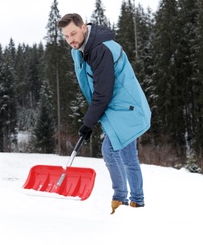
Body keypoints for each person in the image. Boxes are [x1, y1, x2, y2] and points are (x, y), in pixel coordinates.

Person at [57, 13, 151, 214]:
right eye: (66, 36)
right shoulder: (83, 49)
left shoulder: (100, 49)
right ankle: (135, 202)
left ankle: (124, 201)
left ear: (83, 27)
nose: (70, 40)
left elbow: (103, 91)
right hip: (116, 108)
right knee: (127, 155)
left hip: (127, 107)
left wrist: (88, 122)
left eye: (73, 33)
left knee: (112, 151)